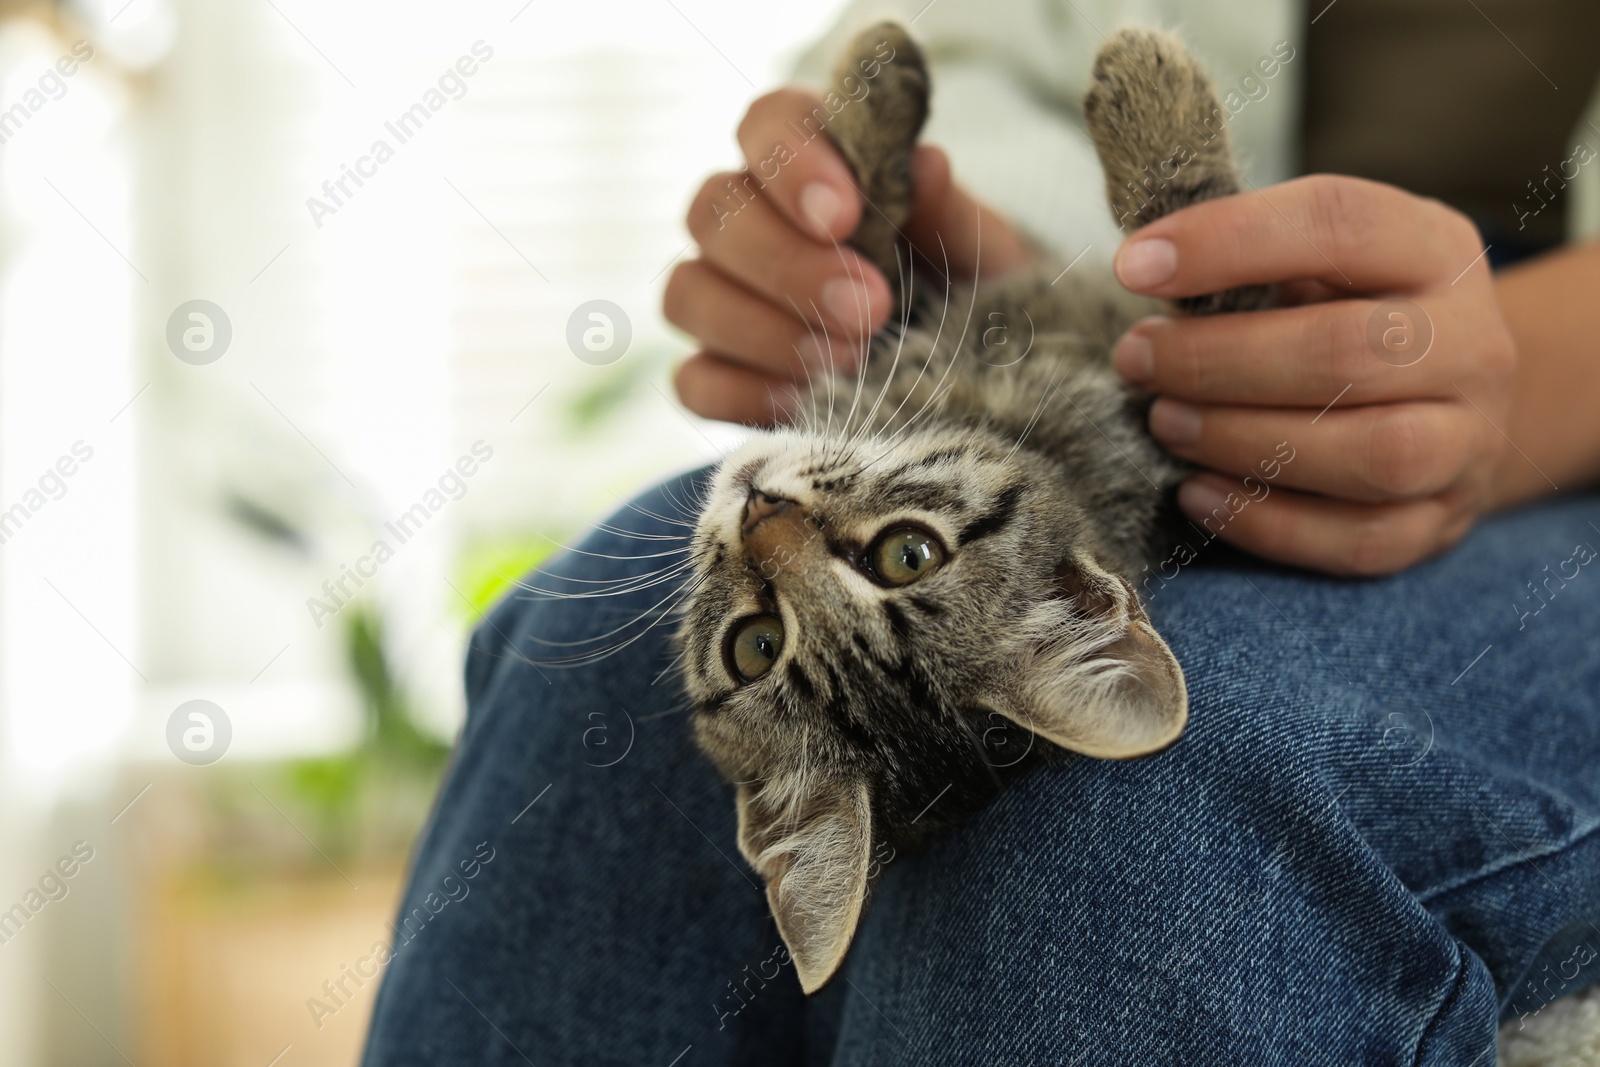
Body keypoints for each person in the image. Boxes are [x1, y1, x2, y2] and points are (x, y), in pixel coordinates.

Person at [361, 3, 1600, 1062]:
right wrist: (902, 252)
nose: (773, 530)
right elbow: (993, 50)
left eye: (762, 631)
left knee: (1135, 823)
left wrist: (1518, 380)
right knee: (587, 652)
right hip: (1154, 365)